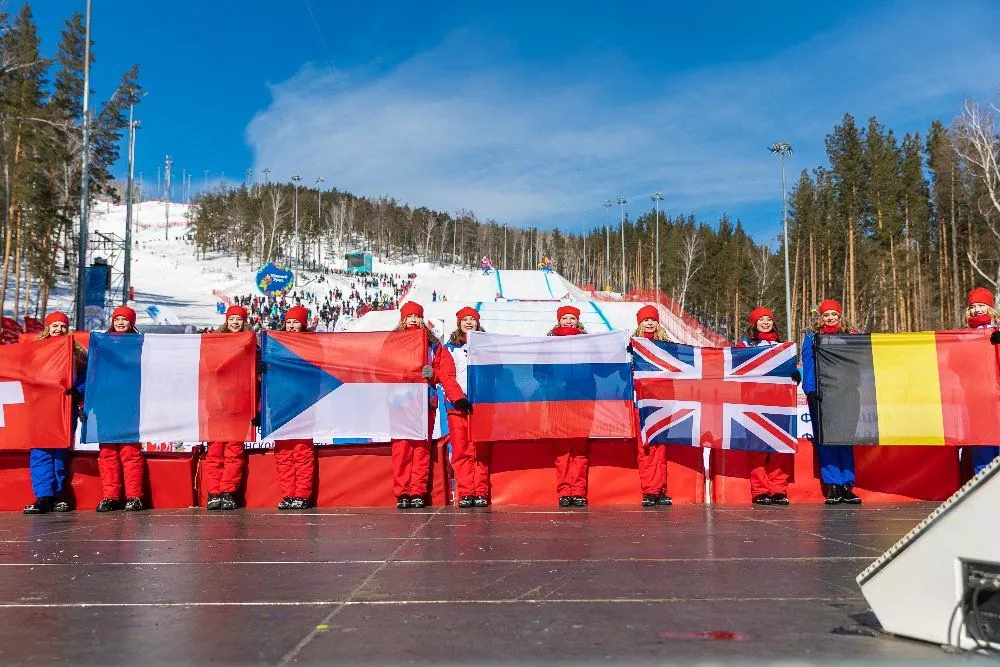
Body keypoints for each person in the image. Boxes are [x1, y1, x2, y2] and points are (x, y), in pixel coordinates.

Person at [391, 302, 469, 509]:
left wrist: (432, 375)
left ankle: (417, 490)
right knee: (402, 447)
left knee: (421, 447)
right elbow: (383, 368)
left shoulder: (433, 345)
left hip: (426, 401)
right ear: (403, 320)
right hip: (401, 401)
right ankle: (402, 491)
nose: (414, 320)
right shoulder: (393, 341)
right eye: (410, 317)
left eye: (417, 316)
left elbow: (444, 374)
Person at [23, 312, 87, 515]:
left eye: (62, 326)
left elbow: (87, 377)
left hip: (65, 407)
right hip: (41, 408)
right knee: (41, 451)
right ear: (47, 328)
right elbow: (25, 373)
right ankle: (43, 496)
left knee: (60, 452)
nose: (58, 329)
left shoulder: (76, 352)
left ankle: (56, 495)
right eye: (54, 326)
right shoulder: (36, 350)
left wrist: (77, 390)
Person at [737, 306, 800, 506]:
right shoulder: (745, 344)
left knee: (780, 446)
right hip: (754, 401)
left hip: (779, 401)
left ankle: (778, 489)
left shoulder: (783, 345)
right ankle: (760, 490)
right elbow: (736, 369)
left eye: (769, 319)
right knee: (758, 448)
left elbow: (790, 370)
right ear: (754, 323)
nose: (765, 322)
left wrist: (794, 373)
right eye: (761, 319)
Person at [802, 299, 861, 505]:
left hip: (846, 394)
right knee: (826, 440)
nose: (830, 318)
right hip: (823, 394)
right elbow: (808, 362)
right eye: (826, 315)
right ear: (821, 317)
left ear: (840, 316)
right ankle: (833, 485)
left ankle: (847, 484)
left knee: (844, 439)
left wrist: (857, 383)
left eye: (834, 314)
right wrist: (811, 390)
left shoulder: (851, 336)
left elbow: (860, 361)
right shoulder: (812, 337)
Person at [96, 306, 147, 512]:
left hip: (130, 405)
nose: (120, 323)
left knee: (130, 452)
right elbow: (91, 373)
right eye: (117, 319)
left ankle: (134, 496)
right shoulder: (101, 344)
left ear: (131, 323)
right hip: (106, 406)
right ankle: (111, 496)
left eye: (124, 320)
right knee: (107, 452)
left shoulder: (140, 343)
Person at [203, 305, 250, 511]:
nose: (235, 323)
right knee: (214, 451)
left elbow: (254, 376)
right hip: (216, 405)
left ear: (244, 322)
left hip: (238, 406)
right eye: (232, 319)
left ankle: (228, 491)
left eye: (238, 320)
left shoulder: (250, 342)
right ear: (226, 320)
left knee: (234, 451)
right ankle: (213, 492)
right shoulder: (214, 341)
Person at [273, 305, 317, 510]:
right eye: (289, 322)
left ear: (303, 324)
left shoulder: (312, 344)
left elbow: (317, 372)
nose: (291, 326)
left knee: (301, 450)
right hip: (280, 403)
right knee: (283, 452)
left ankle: (302, 494)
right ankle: (288, 493)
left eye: (295, 322)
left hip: (303, 404)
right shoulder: (275, 343)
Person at [445, 307, 487, 508]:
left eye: (473, 319)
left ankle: (480, 491)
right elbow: (446, 376)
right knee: (461, 450)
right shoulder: (450, 348)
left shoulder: (487, 345)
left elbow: (496, 373)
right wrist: (458, 398)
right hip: (458, 406)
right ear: (459, 323)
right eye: (465, 319)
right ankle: (465, 492)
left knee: (479, 451)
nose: (469, 322)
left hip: (481, 407)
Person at [632, 305, 672, 508]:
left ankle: (660, 489)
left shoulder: (667, 345)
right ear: (639, 323)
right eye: (645, 320)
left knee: (660, 448)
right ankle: (649, 490)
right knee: (645, 448)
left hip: (661, 403)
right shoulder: (631, 345)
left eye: (652, 320)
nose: (649, 323)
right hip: (641, 404)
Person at [548, 305, 589, 507]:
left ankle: (579, 490)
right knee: (563, 448)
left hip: (581, 401)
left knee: (579, 449)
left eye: (572, 318)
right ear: (558, 321)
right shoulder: (548, 342)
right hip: (558, 401)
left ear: (578, 320)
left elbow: (597, 370)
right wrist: (556, 381)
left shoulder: (588, 342)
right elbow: (539, 371)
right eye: (565, 318)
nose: (569, 322)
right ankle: (565, 490)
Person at [966, 287, 1000, 474]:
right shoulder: (962, 336)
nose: (978, 310)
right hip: (977, 397)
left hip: (998, 396)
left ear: (991, 308)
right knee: (982, 443)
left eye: (982, 305)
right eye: (973, 306)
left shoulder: (998, 330)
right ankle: (982, 482)